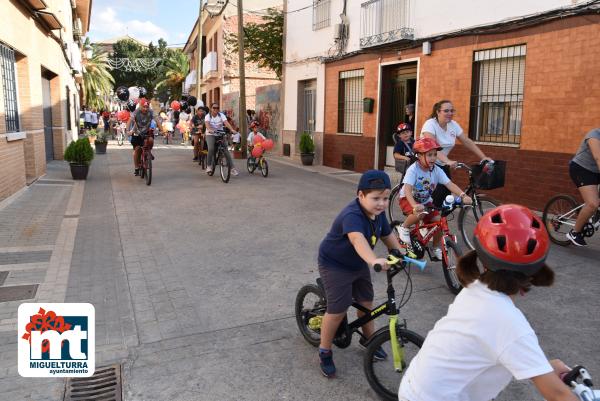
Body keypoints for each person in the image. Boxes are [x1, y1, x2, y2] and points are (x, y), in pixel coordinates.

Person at [398, 204, 579, 401]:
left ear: (482, 258)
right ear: (535, 270)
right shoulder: (510, 323)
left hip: (416, 386)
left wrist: (544, 367)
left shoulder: (474, 290)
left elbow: (502, 346)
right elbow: (558, 395)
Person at [317, 170, 403, 378]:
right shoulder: (352, 215)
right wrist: (373, 260)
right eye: (375, 198)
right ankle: (325, 350)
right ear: (360, 195)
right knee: (338, 309)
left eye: (385, 198)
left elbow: (387, 236)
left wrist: (401, 253)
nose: (381, 204)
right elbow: (357, 240)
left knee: (366, 302)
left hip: (358, 264)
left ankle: (368, 340)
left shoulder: (379, 214)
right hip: (335, 264)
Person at [396, 138, 472, 259]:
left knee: (439, 221)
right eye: (429, 155)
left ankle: (434, 247)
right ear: (419, 156)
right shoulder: (413, 170)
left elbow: (450, 184)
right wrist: (414, 205)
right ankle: (403, 228)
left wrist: (463, 195)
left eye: (435, 155)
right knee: (420, 213)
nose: (433, 158)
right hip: (408, 198)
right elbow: (407, 190)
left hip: (425, 201)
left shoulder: (437, 170)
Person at [421, 100, 492, 206]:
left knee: (445, 196)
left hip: (442, 164)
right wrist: (448, 161)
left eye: (452, 111)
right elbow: (432, 147)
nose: (450, 113)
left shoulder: (453, 125)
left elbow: (466, 141)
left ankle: (439, 220)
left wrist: (484, 157)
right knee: (436, 196)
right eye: (446, 111)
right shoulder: (430, 124)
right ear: (438, 112)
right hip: (426, 164)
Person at [566, 127, 600, 246]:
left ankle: (594, 214)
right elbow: (598, 157)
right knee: (592, 204)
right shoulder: (594, 135)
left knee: (594, 203)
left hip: (596, 171)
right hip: (581, 169)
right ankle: (574, 232)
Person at [204, 103, 239, 176]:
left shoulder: (221, 115)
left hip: (220, 133)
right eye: (214, 108)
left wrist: (232, 130)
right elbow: (207, 124)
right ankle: (209, 166)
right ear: (211, 108)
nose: (216, 109)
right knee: (211, 149)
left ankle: (232, 169)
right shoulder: (208, 116)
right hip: (211, 134)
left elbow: (226, 123)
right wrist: (210, 130)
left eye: (217, 108)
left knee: (226, 150)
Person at [128, 98, 159, 176]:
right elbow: (129, 121)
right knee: (137, 149)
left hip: (147, 132)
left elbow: (158, 121)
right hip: (137, 133)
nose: (145, 109)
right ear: (140, 106)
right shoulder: (136, 112)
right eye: (143, 107)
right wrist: (128, 131)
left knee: (151, 140)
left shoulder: (151, 112)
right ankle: (136, 168)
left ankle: (148, 151)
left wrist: (163, 131)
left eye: (147, 107)